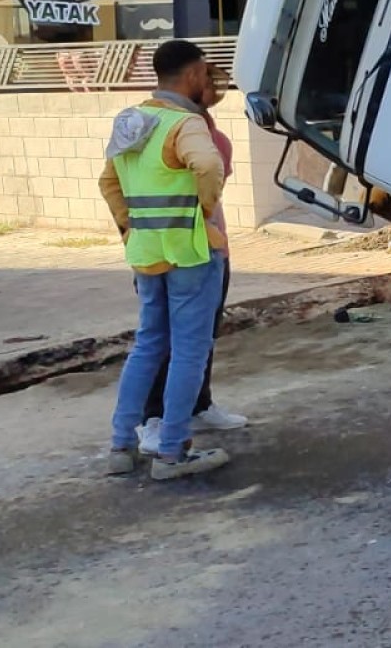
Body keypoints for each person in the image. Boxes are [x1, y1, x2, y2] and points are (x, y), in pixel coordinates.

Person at [99, 40, 232, 481]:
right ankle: (172, 453)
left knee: (148, 345)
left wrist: (129, 227)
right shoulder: (184, 124)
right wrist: (204, 212)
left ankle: (122, 445)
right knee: (190, 351)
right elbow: (209, 167)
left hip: (146, 252)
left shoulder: (132, 120)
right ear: (193, 74)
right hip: (191, 252)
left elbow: (108, 182)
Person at [134, 61, 247, 455]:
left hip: (208, 248)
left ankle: (198, 404)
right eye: (207, 78)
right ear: (189, 79)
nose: (215, 87)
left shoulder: (205, 129)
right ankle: (153, 421)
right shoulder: (154, 124)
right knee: (163, 341)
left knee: (200, 337)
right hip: (170, 249)